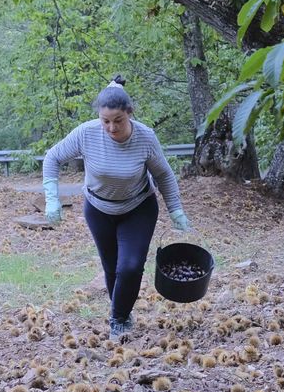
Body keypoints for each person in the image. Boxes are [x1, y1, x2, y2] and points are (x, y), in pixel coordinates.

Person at [42, 78, 190, 340]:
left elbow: (164, 175)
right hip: (98, 209)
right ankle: (122, 312)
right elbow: (52, 157)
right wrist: (52, 198)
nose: (111, 127)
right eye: (105, 121)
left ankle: (118, 319)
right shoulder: (86, 133)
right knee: (111, 269)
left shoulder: (145, 137)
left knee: (130, 267)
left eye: (118, 120)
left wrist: (175, 209)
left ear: (129, 114)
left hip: (138, 208)